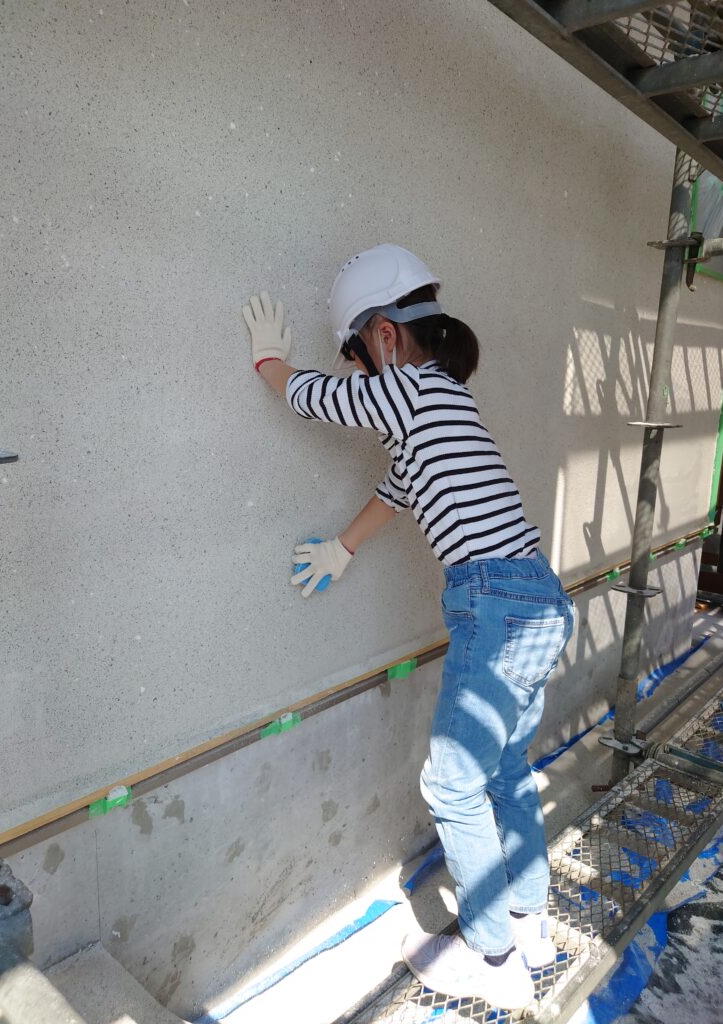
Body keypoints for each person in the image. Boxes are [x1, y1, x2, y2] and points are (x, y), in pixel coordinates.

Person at [242, 243, 575, 1010]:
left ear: (385, 336)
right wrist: (343, 548)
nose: (357, 375)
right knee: (503, 769)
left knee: (452, 785)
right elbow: (398, 490)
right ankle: (529, 925)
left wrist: (270, 366)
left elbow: (315, 400)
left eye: (355, 356)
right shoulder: (443, 403)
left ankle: (493, 962)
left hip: (495, 603)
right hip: (537, 599)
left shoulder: (409, 388)